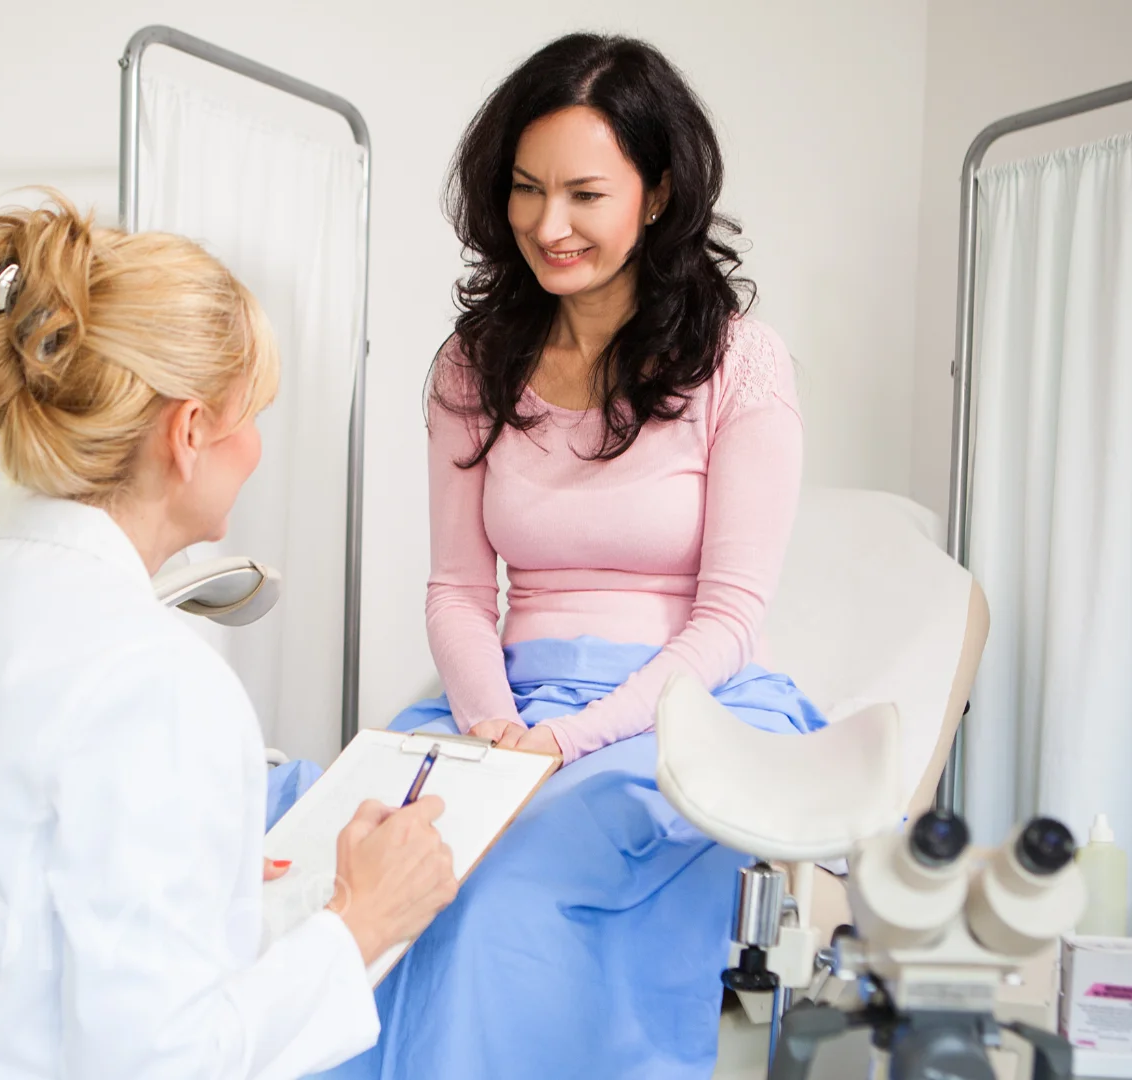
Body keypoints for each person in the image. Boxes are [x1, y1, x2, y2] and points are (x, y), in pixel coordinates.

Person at [0, 195, 458, 1080]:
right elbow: (163, 1062)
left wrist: (217, 904)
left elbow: (2, 932)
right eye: (253, 416)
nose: (258, 451)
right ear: (191, 431)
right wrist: (364, 924)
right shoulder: (156, 678)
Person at [312, 34, 828, 1078]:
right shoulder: (474, 363)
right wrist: (496, 725)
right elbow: (459, 590)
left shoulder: (741, 364)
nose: (550, 226)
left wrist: (568, 742)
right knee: (363, 863)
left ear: (659, 191)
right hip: (498, 707)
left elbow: (727, 620)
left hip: (681, 714)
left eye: (586, 193)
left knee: (496, 891)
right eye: (526, 190)